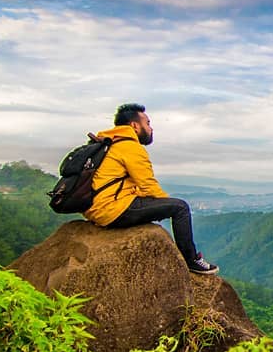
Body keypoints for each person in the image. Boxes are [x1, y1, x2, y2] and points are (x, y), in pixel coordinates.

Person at [84, 103, 219, 274]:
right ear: (135, 125)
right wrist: (166, 204)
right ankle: (191, 260)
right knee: (180, 208)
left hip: (97, 208)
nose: (151, 128)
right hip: (112, 209)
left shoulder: (110, 143)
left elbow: (124, 184)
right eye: (147, 123)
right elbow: (148, 185)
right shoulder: (130, 147)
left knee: (171, 205)